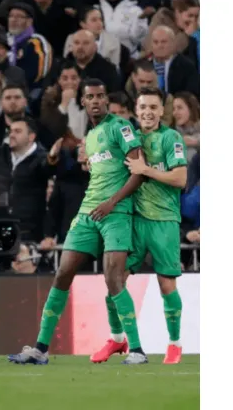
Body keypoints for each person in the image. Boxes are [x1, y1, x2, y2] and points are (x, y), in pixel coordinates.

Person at [8, 78, 148, 365]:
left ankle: (136, 349)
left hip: (117, 212)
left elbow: (140, 171)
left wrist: (113, 202)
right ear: (83, 102)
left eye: (100, 96)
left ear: (106, 99)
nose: (96, 101)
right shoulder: (91, 135)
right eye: (90, 97)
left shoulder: (121, 127)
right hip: (88, 212)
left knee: (113, 278)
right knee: (62, 273)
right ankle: (41, 349)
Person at [91, 87, 188, 365]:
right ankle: (118, 339)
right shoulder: (128, 138)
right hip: (132, 220)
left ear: (161, 111)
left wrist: (146, 170)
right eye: (143, 107)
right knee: (114, 282)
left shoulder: (171, 138)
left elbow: (180, 179)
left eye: (153, 107)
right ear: (136, 110)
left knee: (166, 284)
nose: (147, 112)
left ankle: (174, 344)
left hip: (164, 222)